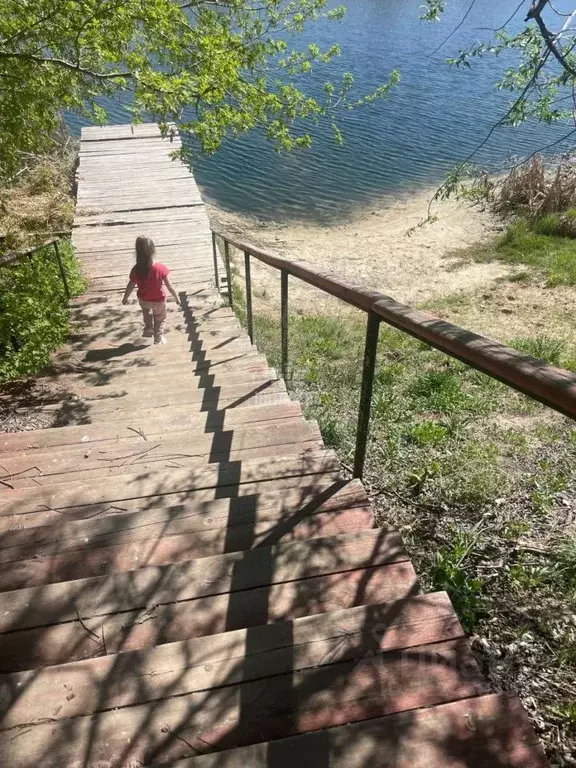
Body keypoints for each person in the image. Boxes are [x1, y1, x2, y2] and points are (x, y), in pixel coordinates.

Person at [122, 236, 179, 344]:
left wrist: (125, 298)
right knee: (160, 318)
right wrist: (176, 297)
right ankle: (158, 337)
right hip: (159, 300)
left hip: (144, 300)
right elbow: (169, 285)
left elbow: (130, 285)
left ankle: (148, 327)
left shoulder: (136, 269)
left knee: (146, 313)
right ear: (153, 250)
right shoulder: (160, 268)